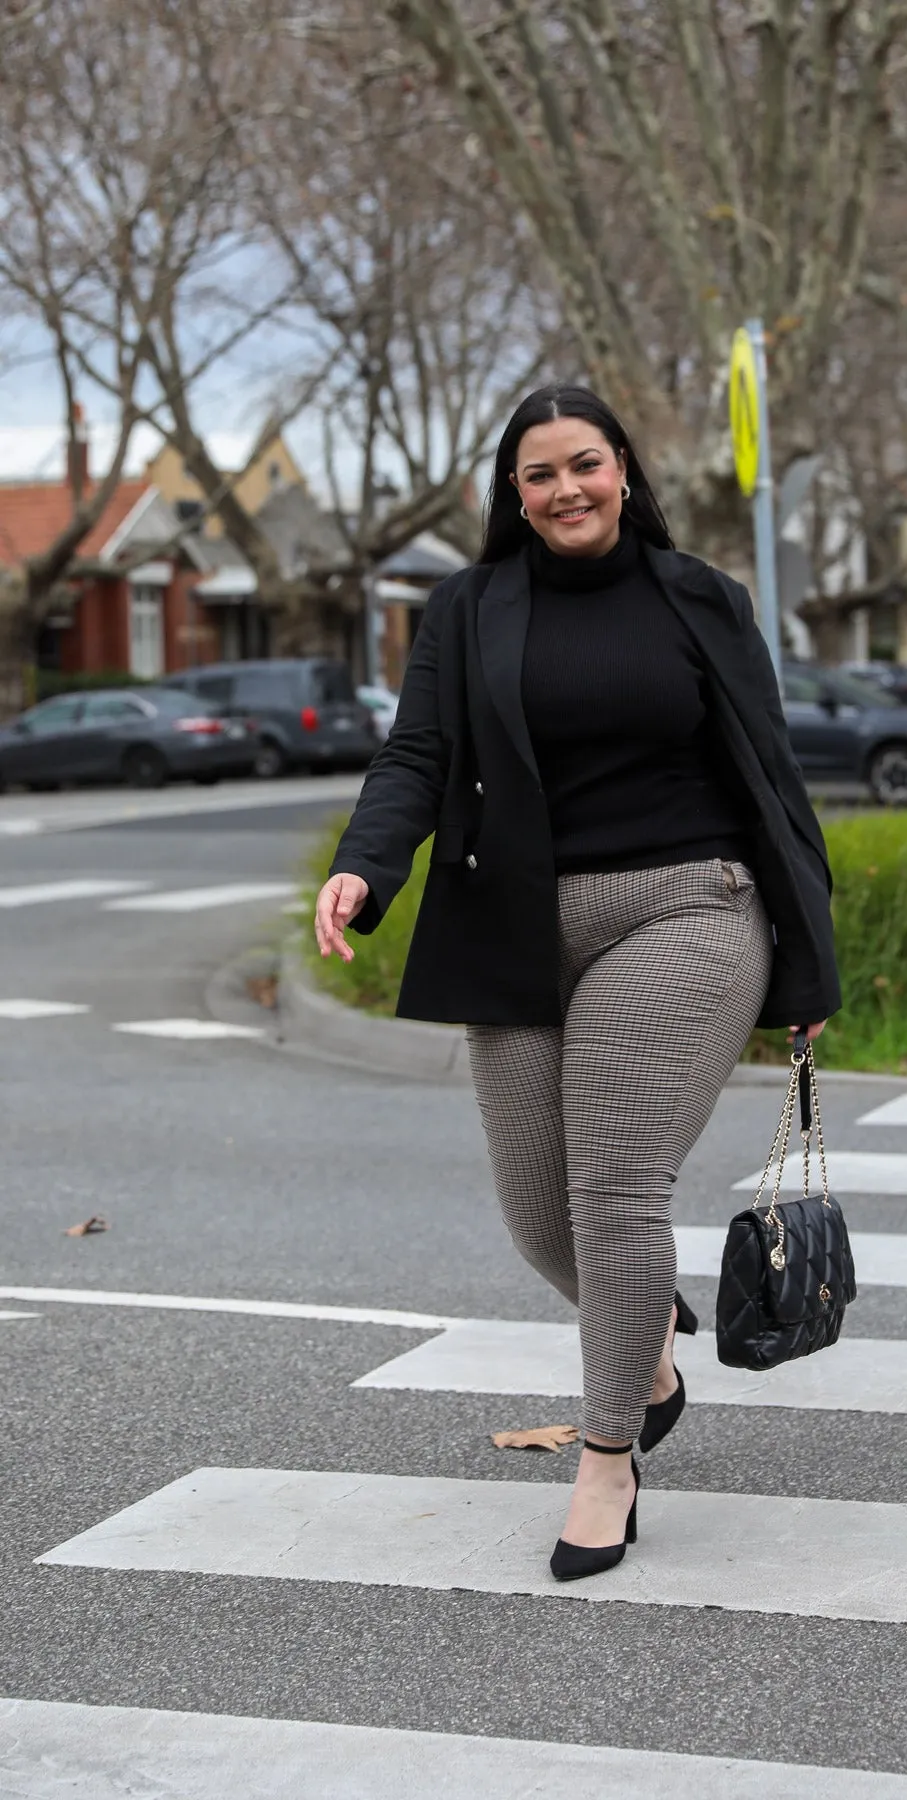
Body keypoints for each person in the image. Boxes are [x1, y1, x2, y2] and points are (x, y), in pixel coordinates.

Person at [314, 383, 840, 1582]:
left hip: (686, 906)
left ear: (623, 471)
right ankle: (646, 1350)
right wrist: (364, 869)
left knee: (614, 1192)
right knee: (536, 1210)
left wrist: (807, 953)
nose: (567, 489)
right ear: (516, 493)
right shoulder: (467, 608)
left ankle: (608, 1455)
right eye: (540, 473)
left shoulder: (700, 598)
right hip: (516, 925)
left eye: (585, 464)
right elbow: (417, 754)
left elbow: (771, 776)